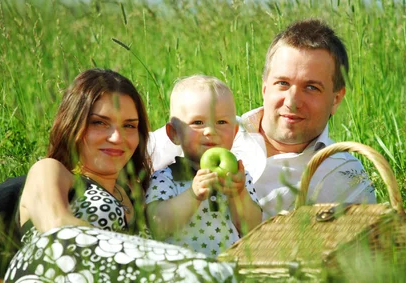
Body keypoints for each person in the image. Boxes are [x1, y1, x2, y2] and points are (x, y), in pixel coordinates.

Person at [3, 69, 240, 283]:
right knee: (208, 276)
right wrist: (185, 268)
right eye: (99, 123)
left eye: (129, 126)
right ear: (73, 123)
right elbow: (58, 230)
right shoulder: (52, 170)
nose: (117, 137)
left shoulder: (137, 193)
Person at [149, 19, 376, 220]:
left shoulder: (343, 174)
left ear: (336, 99)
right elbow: (124, 161)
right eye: (283, 84)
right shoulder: (204, 130)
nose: (292, 101)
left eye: (311, 87)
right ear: (265, 87)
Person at [145, 75, 262, 257]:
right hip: (182, 272)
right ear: (174, 133)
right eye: (198, 123)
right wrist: (193, 195)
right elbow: (157, 225)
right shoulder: (168, 176)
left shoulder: (238, 177)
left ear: (235, 131)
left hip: (228, 272)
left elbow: (254, 228)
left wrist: (238, 195)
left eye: (221, 122)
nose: (211, 131)